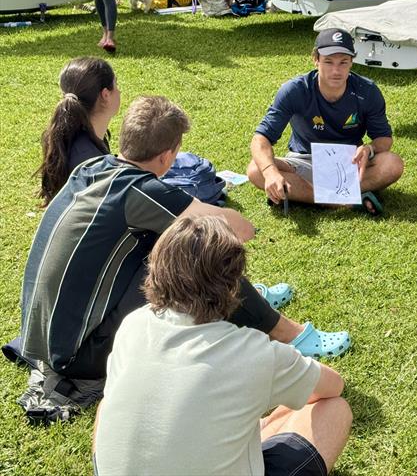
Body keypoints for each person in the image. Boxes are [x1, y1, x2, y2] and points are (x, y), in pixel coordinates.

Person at [18, 96, 350, 383]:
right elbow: (242, 230)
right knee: (199, 250)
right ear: (167, 156)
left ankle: (247, 302)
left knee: (166, 241)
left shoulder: (92, 167)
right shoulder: (141, 190)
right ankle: (287, 333)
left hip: (45, 339)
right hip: (79, 356)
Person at [94, 215, 352, 476]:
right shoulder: (252, 352)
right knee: (334, 410)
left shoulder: (133, 325)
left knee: (108, 404)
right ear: (235, 283)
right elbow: (332, 387)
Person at [247, 29, 404, 215]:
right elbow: (261, 138)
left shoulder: (367, 91)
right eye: (328, 62)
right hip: (304, 161)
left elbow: (384, 139)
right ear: (316, 60)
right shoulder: (295, 90)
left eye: (343, 62)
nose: (336, 71)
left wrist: (369, 149)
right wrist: (270, 172)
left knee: (393, 164)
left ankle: (305, 195)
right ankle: (339, 200)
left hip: (349, 163)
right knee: (256, 170)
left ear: (352, 62)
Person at [37, 57, 121, 205]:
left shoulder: (68, 135)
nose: (119, 91)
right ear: (106, 95)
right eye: (116, 84)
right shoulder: (93, 163)